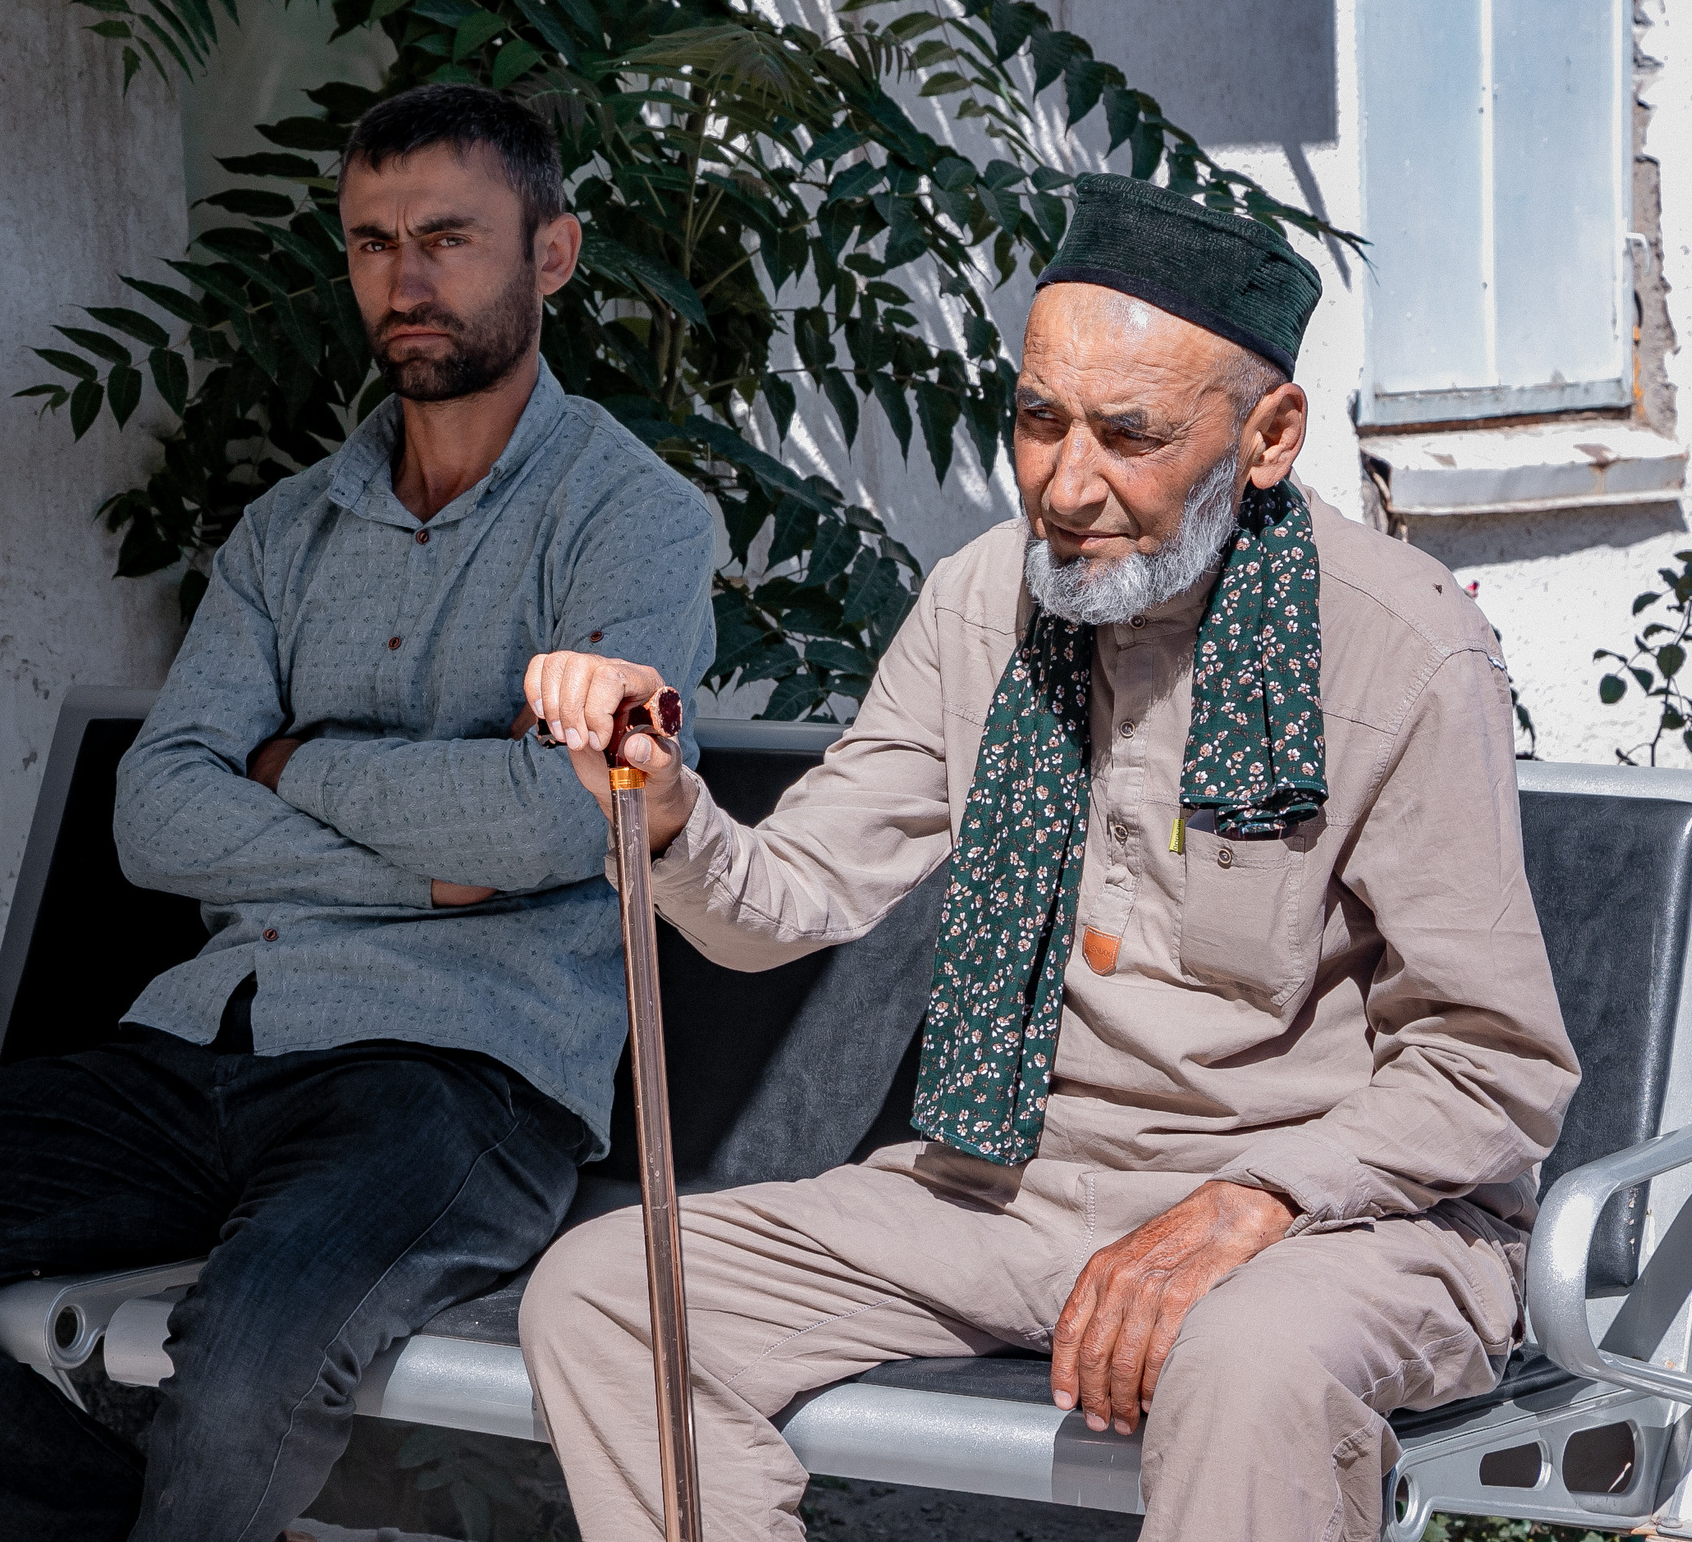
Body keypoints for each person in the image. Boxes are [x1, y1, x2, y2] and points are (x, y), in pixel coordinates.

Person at [0, 83, 717, 1542]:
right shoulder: (287, 526)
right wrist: (431, 856)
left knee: (242, 1368)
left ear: (552, 254)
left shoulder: (636, 518)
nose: (406, 281)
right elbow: (157, 816)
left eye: (448, 238)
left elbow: (566, 827)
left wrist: (295, 765)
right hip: (200, 1046)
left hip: (455, 1075)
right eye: (372, 243)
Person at [518, 174, 1582, 1542]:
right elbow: (780, 900)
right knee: (612, 1293)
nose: (1064, 484)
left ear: (1267, 436)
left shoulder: (1400, 644)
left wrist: (1251, 1200)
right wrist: (661, 803)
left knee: (1249, 1358)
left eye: (1128, 434)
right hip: (1011, 1189)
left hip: (1337, 1223)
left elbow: (1490, 1066)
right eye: (1036, 417)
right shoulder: (983, 603)